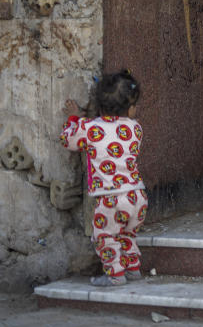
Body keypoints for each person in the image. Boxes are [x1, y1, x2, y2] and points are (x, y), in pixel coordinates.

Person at [60, 70, 147, 286]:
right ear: (130, 108)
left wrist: (75, 119)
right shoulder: (136, 128)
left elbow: (68, 140)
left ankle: (115, 275)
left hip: (110, 198)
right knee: (128, 234)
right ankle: (133, 268)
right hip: (137, 196)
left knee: (106, 236)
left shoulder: (89, 128)